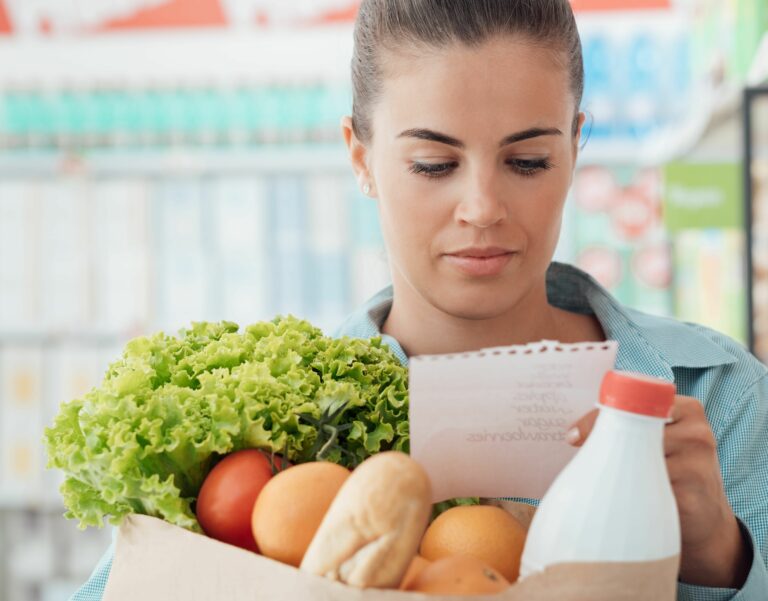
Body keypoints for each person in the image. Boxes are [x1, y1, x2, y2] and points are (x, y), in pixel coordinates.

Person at [72, 1, 767, 599]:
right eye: (434, 164)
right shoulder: (262, 437)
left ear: (576, 147)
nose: (483, 207)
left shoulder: (719, 396)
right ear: (360, 157)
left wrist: (720, 557)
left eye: (528, 161)